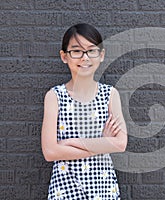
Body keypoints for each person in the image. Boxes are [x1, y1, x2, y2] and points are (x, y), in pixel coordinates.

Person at [41, 23, 127, 200]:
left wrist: (70, 142)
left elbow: (120, 144)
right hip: (65, 189)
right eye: (76, 51)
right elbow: (50, 152)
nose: (84, 57)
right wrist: (102, 143)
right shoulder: (55, 96)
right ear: (64, 56)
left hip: (103, 189)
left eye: (91, 51)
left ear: (101, 55)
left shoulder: (110, 95)